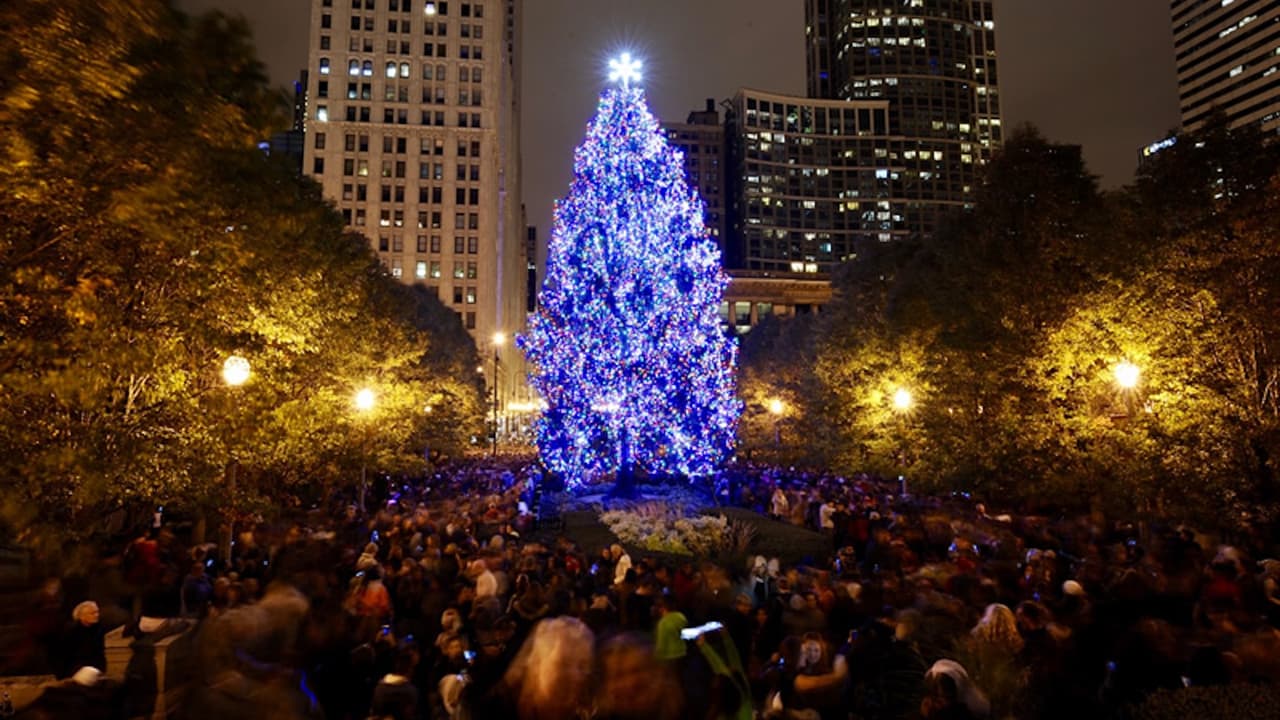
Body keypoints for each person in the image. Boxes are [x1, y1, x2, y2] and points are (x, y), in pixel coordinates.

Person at [60, 601, 107, 679]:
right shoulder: (70, 631)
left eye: (97, 612)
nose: (97, 615)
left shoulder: (99, 629)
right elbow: (64, 655)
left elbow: (100, 653)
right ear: (81, 616)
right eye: (92, 613)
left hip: (95, 670)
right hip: (75, 671)